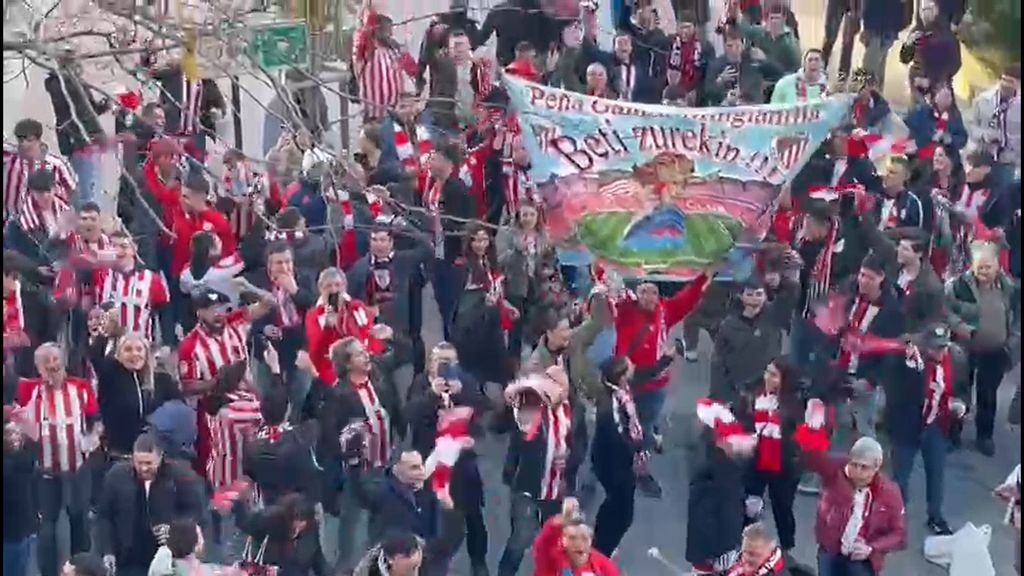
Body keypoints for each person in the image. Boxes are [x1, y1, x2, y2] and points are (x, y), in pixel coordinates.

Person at [14, 343, 99, 576]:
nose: (53, 370)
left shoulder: (80, 388)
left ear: (64, 364)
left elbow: (94, 419)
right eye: (47, 366)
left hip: (77, 467)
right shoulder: (29, 390)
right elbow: (18, 418)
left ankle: (81, 570)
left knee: (80, 521)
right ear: (38, 368)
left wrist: (91, 440)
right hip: (46, 470)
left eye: (56, 365)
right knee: (48, 527)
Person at [405, 342, 489, 576]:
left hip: (462, 464)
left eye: (450, 361)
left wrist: (464, 392)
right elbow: (409, 414)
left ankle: (478, 562)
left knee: (473, 517)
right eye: (440, 361)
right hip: (432, 462)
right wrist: (432, 395)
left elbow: (484, 407)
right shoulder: (421, 384)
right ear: (430, 364)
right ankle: (431, 564)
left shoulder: (466, 382)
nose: (445, 366)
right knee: (433, 520)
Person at [498, 367, 587, 576]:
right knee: (522, 537)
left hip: (558, 488)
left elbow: (581, 444)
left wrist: (571, 459)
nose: (560, 390)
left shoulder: (575, 411)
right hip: (527, 486)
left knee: (556, 540)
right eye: (555, 384)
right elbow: (512, 428)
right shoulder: (531, 407)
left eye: (563, 385)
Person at [590, 352, 675, 555]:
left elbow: (644, 374)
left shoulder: (619, 390)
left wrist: (666, 360)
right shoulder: (608, 409)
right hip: (613, 467)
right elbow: (620, 442)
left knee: (612, 503)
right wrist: (648, 442)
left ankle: (598, 540)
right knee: (624, 514)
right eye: (630, 368)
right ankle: (602, 551)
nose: (634, 368)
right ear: (621, 378)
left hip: (618, 462)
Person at [888, 325, 967, 536]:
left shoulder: (956, 360)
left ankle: (935, 516)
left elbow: (962, 388)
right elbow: (896, 390)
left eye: (943, 347)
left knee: (936, 472)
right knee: (901, 475)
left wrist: (960, 405)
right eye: (934, 348)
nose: (939, 352)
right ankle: (895, 518)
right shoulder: (909, 360)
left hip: (937, 423)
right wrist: (910, 365)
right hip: (908, 425)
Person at [945, 241, 1020, 457]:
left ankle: (984, 437)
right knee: (960, 392)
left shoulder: (1010, 288)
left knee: (988, 395)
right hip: (964, 350)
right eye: (979, 267)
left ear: (998, 264)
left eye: (988, 266)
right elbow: (944, 310)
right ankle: (953, 433)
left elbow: (1017, 316)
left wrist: (1013, 341)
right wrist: (960, 327)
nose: (983, 271)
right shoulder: (958, 286)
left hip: (996, 350)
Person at [96, 433, 208, 576]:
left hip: (167, 558)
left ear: (160, 457)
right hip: (127, 557)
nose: (143, 468)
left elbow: (195, 513)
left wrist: (174, 531)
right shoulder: (116, 477)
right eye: (139, 463)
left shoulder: (180, 477)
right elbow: (104, 516)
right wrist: (107, 551)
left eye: (148, 463)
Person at [801, 433, 907, 576]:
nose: (857, 472)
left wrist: (871, 548)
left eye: (864, 467)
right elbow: (811, 459)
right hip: (830, 549)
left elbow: (899, 534)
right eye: (854, 465)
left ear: (876, 468)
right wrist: (812, 430)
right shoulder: (836, 472)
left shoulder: (890, 492)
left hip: (862, 559)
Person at [348, 449, 463, 576]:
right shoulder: (382, 492)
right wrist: (354, 466)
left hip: (426, 564)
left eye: (421, 466)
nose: (421, 471)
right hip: (394, 562)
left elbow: (442, 534)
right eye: (414, 468)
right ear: (397, 470)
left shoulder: (429, 493)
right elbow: (360, 494)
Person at [735, 358, 805, 557]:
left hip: (783, 464)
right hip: (756, 459)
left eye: (774, 375)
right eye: (767, 372)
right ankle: (747, 546)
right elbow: (743, 421)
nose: (767, 377)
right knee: (749, 504)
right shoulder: (753, 395)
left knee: (782, 507)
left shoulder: (796, 404)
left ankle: (787, 549)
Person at [710, 276, 785, 404]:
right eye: (750, 294)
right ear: (741, 296)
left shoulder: (773, 324)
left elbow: (777, 357)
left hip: (764, 391)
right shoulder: (728, 326)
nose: (755, 299)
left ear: (765, 297)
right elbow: (718, 362)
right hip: (736, 391)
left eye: (759, 294)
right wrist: (719, 396)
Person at [230, 492, 327, 576]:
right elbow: (245, 526)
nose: (300, 524)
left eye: (303, 520)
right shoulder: (270, 520)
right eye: (297, 518)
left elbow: (318, 561)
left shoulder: (310, 534)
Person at [533, 497, 620, 576]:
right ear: (563, 540)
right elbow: (544, 543)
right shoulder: (552, 558)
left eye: (584, 538)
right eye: (572, 538)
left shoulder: (602, 565)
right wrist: (564, 519)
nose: (578, 544)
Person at [969, 64, 1021, 185]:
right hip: (983, 157)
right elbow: (971, 128)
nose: (1005, 84)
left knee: (1004, 192)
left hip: (1009, 161)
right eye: (1003, 79)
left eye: (1010, 82)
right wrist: (984, 135)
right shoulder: (982, 100)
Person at [899, 0, 961, 102]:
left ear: (936, 11)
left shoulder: (945, 35)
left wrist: (933, 80)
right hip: (917, 84)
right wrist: (908, 44)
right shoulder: (915, 33)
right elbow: (904, 59)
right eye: (923, 10)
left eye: (930, 10)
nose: (926, 14)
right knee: (918, 107)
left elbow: (955, 64)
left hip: (939, 87)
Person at [3, 415, 40, 576]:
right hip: (9, 534)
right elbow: (23, 463)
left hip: (23, 530)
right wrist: (32, 436)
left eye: (17, 433)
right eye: (9, 434)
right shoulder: (13, 464)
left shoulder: (22, 462)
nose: (15, 438)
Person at [905, 85, 969, 163]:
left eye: (948, 97)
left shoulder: (954, 116)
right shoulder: (922, 112)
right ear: (935, 98)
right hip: (923, 157)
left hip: (947, 158)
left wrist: (949, 139)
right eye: (943, 96)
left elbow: (962, 138)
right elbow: (909, 127)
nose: (945, 99)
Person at [704, 30, 767, 105]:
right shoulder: (716, 65)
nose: (733, 50)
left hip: (748, 107)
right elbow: (707, 92)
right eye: (729, 46)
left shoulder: (752, 64)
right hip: (723, 108)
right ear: (724, 46)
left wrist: (765, 60)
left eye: (737, 46)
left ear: (743, 46)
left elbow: (776, 74)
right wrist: (720, 81)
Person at [873, 156, 931, 232]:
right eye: (886, 172)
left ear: (906, 176)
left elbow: (921, 234)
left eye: (892, 172)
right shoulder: (874, 198)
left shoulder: (913, 202)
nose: (887, 175)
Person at [859, 0, 907, 92]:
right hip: (883, 27)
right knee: (876, 68)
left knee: (869, 68)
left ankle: (870, 95)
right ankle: (875, 94)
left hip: (880, 27)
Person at [723, 523, 789, 576]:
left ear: (771, 554)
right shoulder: (734, 559)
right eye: (744, 551)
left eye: (753, 554)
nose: (745, 557)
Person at [820, 0, 860, 83]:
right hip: (837, 3)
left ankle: (843, 76)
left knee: (848, 42)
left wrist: (857, 14)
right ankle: (821, 68)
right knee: (830, 37)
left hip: (854, 4)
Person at [352, 530, 424, 576]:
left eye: (417, 568)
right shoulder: (367, 572)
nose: (415, 575)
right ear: (391, 559)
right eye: (412, 569)